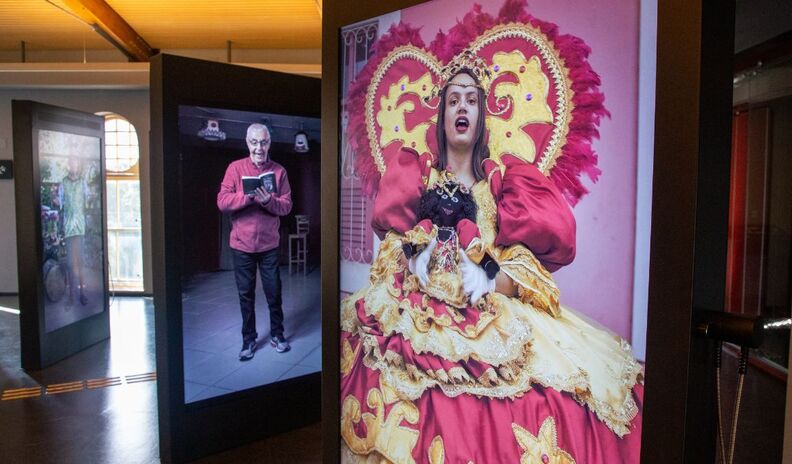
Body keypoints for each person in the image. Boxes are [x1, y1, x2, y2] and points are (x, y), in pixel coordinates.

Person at [340, 68, 644, 463]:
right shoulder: (420, 180)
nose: (462, 107)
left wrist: (489, 278)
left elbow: (528, 270)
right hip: (414, 315)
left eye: (471, 100)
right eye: (453, 100)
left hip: (489, 317)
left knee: (545, 403)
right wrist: (414, 257)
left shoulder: (500, 191)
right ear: (442, 117)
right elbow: (392, 250)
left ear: (481, 116)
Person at [217, 123, 292, 360]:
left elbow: (286, 206)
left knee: (274, 293)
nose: (259, 148)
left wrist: (269, 201)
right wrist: (247, 196)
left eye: (264, 142)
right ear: (247, 142)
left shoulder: (279, 171)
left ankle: (277, 335)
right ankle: (248, 340)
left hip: (269, 245)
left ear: (269, 143)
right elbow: (222, 201)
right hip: (241, 245)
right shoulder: (235, 168)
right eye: (254, 142)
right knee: (245, 295)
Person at [61, 156, 88, 307]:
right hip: (68, 228)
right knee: (71, 264)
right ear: (68, 165)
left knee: (81, 262)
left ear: (78, 165)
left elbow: (87, 199)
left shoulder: (83, 182)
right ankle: (72, 295)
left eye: (75, 163)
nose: (73, 166)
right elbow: (59, 201)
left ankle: (82, 293)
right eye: (71, 163)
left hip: (80, 227)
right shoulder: (63, 182)